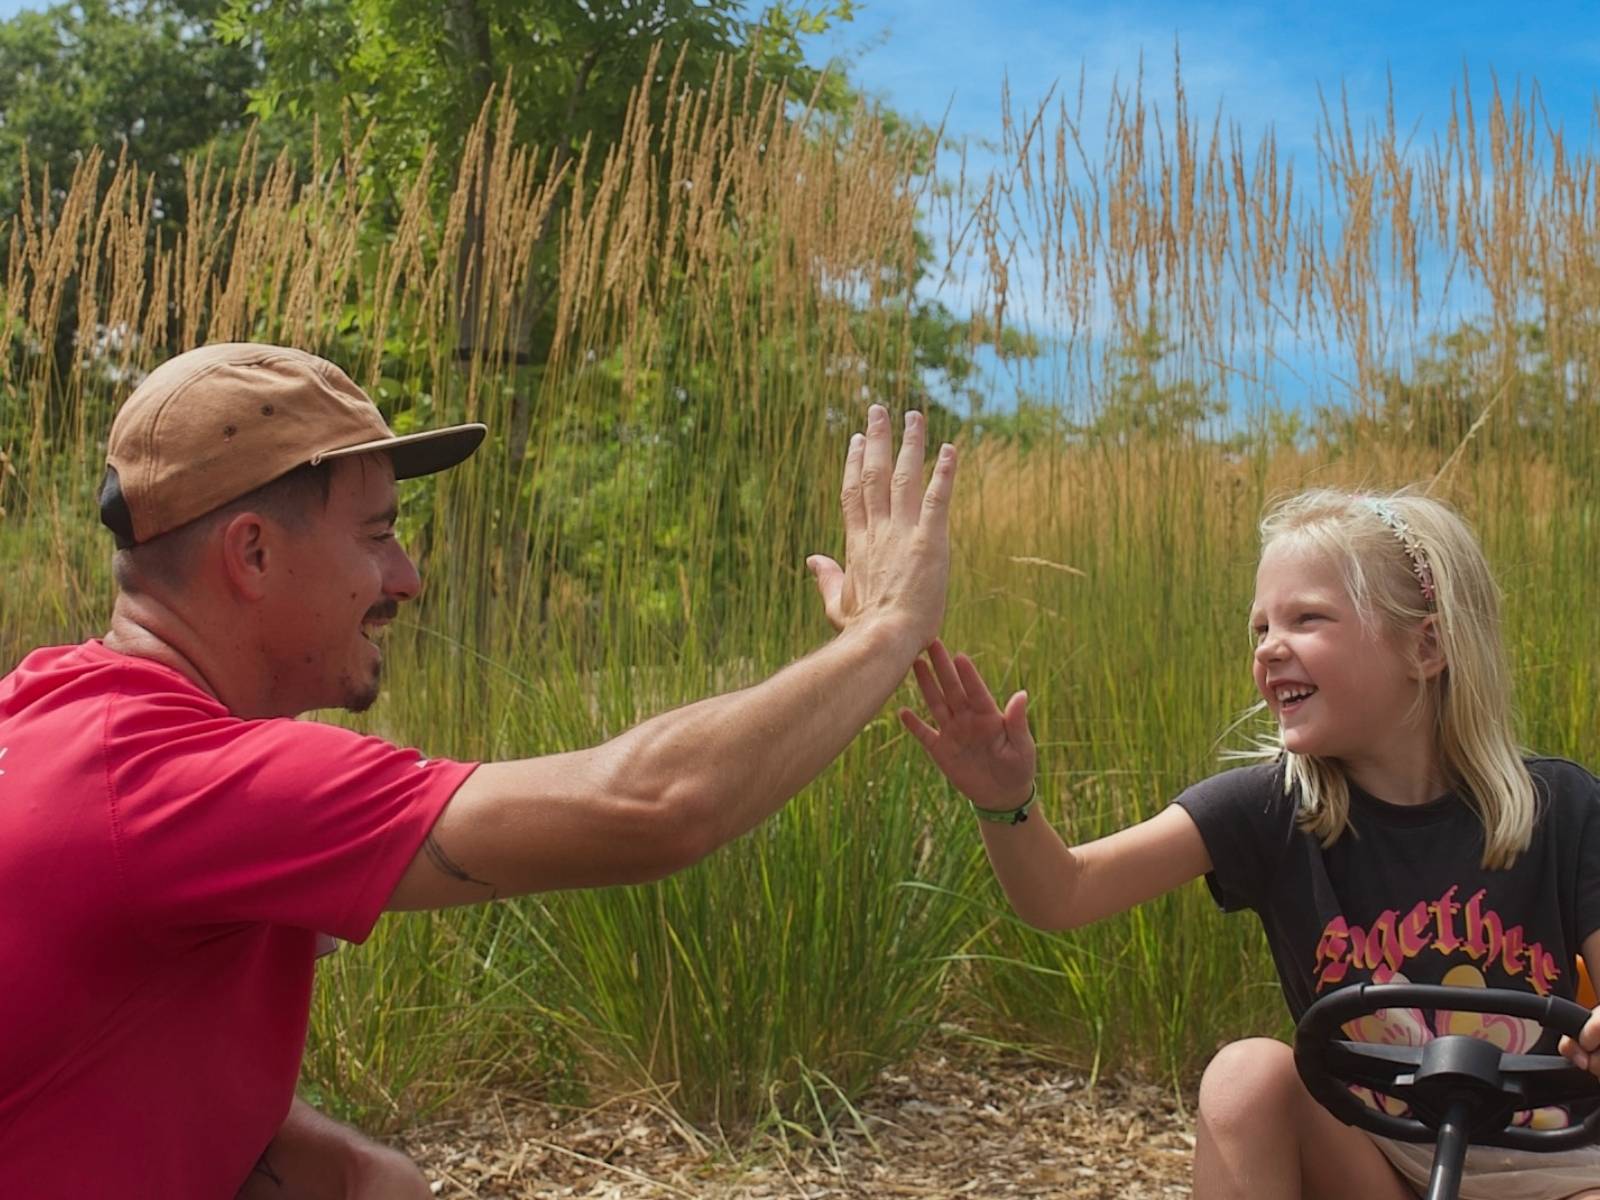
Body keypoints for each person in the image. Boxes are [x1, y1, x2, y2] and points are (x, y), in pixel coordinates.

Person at [0, 342, 957, 1198]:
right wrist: (888, 630)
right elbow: (654, 807)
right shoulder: (185, 780)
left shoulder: (46, 709)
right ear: (250, 552)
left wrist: (340, 1167)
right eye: (378, 535)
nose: (408, 577)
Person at [900, 487, 1600, 1200]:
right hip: (1376, 1168)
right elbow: (1063, 892)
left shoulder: (1562, 809)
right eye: (1259, 627)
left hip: (1555, 1166)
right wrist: (1005, 802)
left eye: (1307, 619)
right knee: (1246, 1077)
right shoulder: (1271, 809)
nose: (1269, 648)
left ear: (1426, 645)